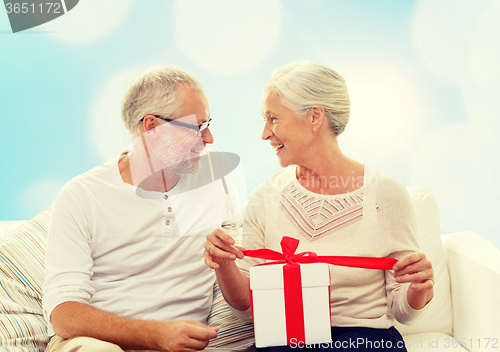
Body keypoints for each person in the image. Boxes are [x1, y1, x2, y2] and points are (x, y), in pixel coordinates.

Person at [204, 61, 434, 351]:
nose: (265, 133)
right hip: (288, 340)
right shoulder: (266, 196)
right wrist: (223, 264)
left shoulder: (386, 195)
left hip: (364, 341)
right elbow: (247, 307)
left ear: (314, 117)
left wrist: (418, 288)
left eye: (274, 118)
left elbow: (403, 311)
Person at [43, 66, 242, 352]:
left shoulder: (217, 174)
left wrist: (224, 259)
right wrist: (156, 335)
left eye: (207, 123)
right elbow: (63, 314)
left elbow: (240, 289)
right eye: (197, 127)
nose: (208, 138)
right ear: (152, 128)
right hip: (99, 343)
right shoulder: (82, 196)